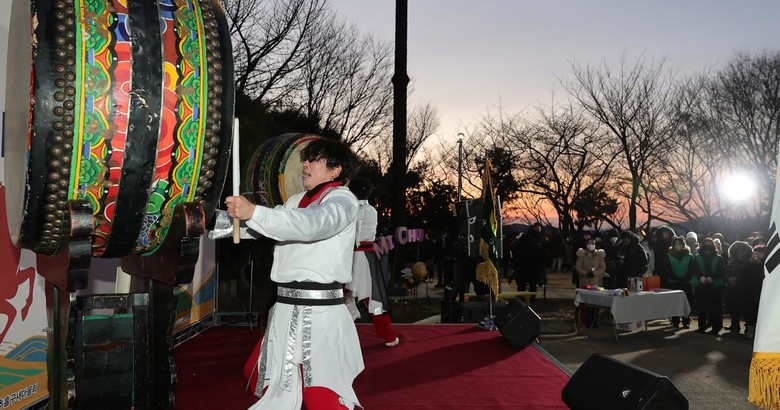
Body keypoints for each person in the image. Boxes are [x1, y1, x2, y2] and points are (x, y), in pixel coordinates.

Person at [227, 138, 363, 410]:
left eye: (314, 159)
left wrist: (254, 212)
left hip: (319, 315)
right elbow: (267, 226)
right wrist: (209, 219)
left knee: (320, 394)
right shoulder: (296, 201)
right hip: (286, 310)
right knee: (259, 376)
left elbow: (312, 225)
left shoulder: (342, 200)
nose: (305, 165)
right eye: (305, 159)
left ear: (335, 170)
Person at [345, 178, 399, 347]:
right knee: (375, 299)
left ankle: (342, 330)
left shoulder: (347, 208)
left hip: (349, 257)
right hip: (367, 257)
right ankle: (389, 336)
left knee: (340, 295)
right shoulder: (373, 210)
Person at [691, 237, 725, 335]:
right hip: (701, 285)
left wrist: (712, 277)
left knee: (715, 308)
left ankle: (716, 327)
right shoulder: (697, 257)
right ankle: (702, 327)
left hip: (714, 286)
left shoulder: (719, 258)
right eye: (706, 244)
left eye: (710, 245)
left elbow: (721, 270)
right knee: (701, 307)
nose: (708, 247)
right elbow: (694, 268)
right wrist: (700, 276)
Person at [724, 241, 752, 335]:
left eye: (743, 251)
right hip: (732, 289)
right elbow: (726, 272)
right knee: (733, 308)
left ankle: (748, 327)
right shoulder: (732, 262)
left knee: (745, 310)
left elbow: (747, 275)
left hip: (744, 289)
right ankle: (734, 325)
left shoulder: (749, 263)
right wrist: (729, 278)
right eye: (739, 251)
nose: (741, 253)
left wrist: (737, 278)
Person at [666, 236, 694, 329]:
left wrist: (685, 278)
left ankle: (686, 321)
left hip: (686, 282)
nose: (678, 246)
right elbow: (667, 269)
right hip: (673, 282)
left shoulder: (689, 256)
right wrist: (675, 277)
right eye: (676, 244)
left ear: (683, 245)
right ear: (673, 245)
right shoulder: (669, 255)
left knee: (687, 302)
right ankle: (675, 321)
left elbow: (691, 269)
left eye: (680, 244)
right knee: (674, 302)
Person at [741, 244, 767, 340]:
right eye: (755, 253)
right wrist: (750, 263)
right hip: (749, 291)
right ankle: (750, 330)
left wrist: (760, 264)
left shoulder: (766, 263)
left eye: (759, 253)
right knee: (749, 311)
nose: (757, 255)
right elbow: (742, 272)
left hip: (762, 291)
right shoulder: (749, 263)